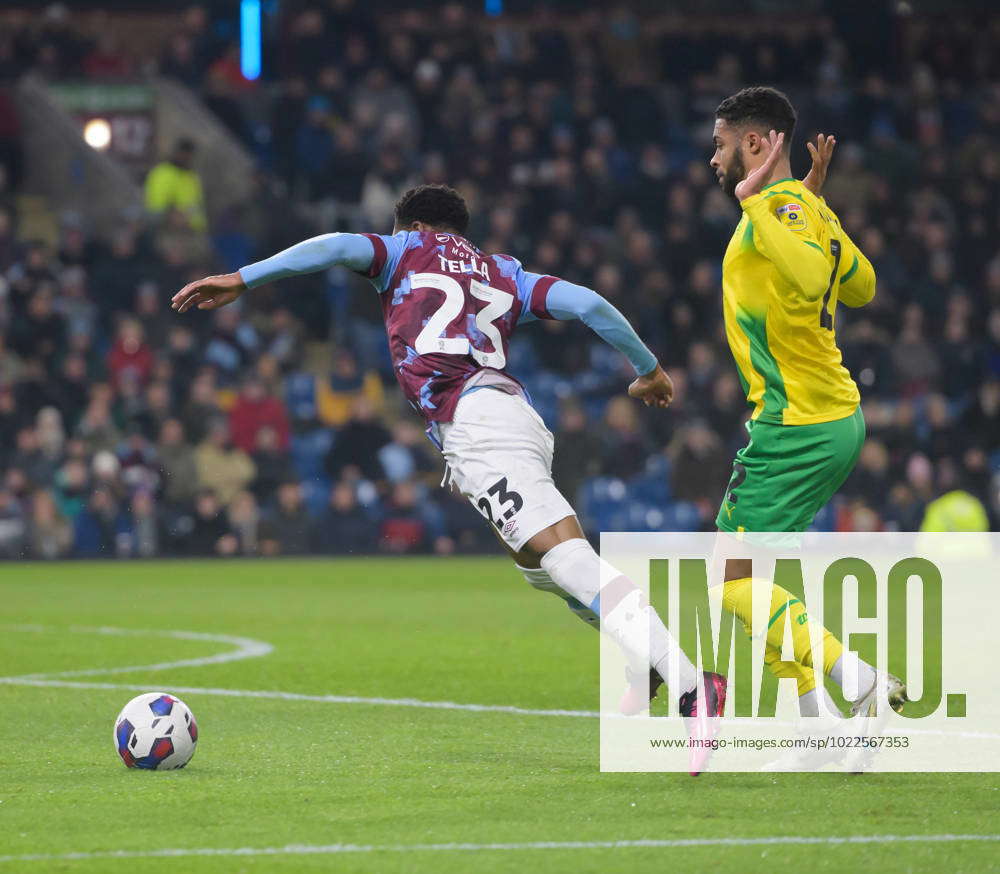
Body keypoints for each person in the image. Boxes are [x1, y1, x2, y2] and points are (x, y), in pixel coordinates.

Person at [173, 183, 723, 774]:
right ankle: (647, 658)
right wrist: (650, 369)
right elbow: (588, 304)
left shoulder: (401, 251)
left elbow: (334, 246)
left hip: (479, 424)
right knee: (543, 569)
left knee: (564, 560)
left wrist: (243, 278)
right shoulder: (501, 271)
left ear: (408, 223)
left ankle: (693, 683)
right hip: (509, 417)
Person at [702, 86, 905, 766]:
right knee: (754, 574)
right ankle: (814, 727)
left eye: (723, 144)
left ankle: (860, 682)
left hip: (798, 423)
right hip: (833, 416)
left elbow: (821, 271)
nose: (714, 158)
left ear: (757, 145)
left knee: (732, 581)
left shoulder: (771, 208)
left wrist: (765, 204)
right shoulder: (800, 207)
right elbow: (862, 284)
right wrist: (814, 205)